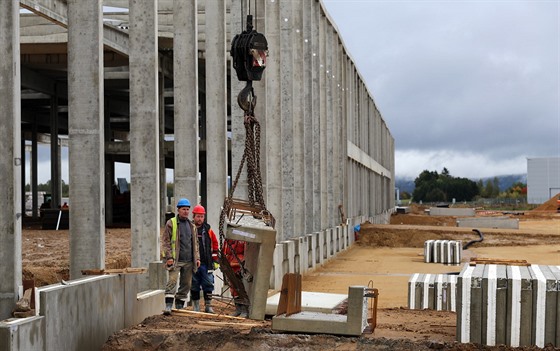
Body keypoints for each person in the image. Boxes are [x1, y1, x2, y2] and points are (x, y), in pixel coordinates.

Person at [161, 198, 200, 315]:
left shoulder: (191, 225)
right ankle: (168, 306)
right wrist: (169, 257)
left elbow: (195, 244)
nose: (186, 211)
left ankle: (179, 306)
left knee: (186, 284)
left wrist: (197, 258)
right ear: (178, 210)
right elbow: (166, 242)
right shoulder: (171, 223)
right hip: (175, 260)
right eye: (183, 209)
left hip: (189, 261)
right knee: (172, 281)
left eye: (188, 209)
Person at [190, 204, 219, 313]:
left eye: (202, 216)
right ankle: (196, 306)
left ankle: (208, 306)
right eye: (198, 216)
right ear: (193, 216)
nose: (200, 219)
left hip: (206, 263)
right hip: (192, 263)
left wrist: (215, 259)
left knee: (208, 283)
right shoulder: (189, 228)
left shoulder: (208, 230)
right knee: (194, 284)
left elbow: (215, 244)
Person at [222, 239, 248, 318]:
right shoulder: (228, 239)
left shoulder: (243, 240)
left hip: (239, 266)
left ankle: (244, 309)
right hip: (230, 265)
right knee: (233, 289)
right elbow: (225, 251)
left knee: (241, 288)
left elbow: (247, 253)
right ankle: (238, 309)